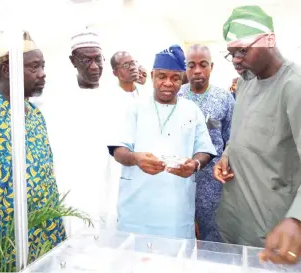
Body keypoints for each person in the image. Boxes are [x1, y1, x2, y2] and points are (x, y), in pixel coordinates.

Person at [214, 5, 301, 264]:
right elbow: (241, 133)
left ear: (270, 40)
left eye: (243, 50)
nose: (237, 59)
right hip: (234, 217)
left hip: (272, 229)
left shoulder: (293, 87)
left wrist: (297, 218)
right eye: (232, 54)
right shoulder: (245, 82)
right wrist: (226, 156)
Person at [108, 45, 217, 239]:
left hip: (175, 212)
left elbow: (205, 150)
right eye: (162, 76)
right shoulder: (135, 107)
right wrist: (135, 158)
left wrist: (195, 164)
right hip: (136, 208)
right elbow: (118, 149)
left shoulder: (191, 110)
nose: (168, 83)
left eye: (175, 78)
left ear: (182, 79)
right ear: (152, 76)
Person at [0, 31, 66, 262]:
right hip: (5, 240)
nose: (42, 74)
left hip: (44, 230)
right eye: (34, 67)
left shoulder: (35, 115)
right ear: (8, 70)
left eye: (43, 66)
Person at [47, 29, 119, 237]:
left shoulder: (115, 97)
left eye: (98, 59)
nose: (94, 66)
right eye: (86, 60)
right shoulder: (58, 100)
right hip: (76, 186)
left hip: (110, 184)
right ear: (73, 61)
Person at [179, 44, 235, 242]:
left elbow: (231, 138)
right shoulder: (177, 96)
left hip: (212, 181)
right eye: (191, 65)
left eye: (203, 65)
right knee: (180, 232)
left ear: (212, 66)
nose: (197, 71)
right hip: (179, 178)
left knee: (211, 235)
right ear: (185, 68)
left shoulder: (224, 98)